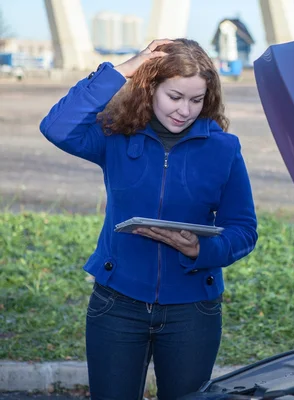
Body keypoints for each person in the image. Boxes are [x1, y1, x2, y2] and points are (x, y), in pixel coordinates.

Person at [39, 38, 258, 399]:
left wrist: (201, 249)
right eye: (175, 97)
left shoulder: (224, 149)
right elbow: (57, 126)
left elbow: (244, 230)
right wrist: (122, 71)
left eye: (196, 100)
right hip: (117, 304)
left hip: (192, 310)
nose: (185, 110)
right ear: (150, 87)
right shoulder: (115, 134)